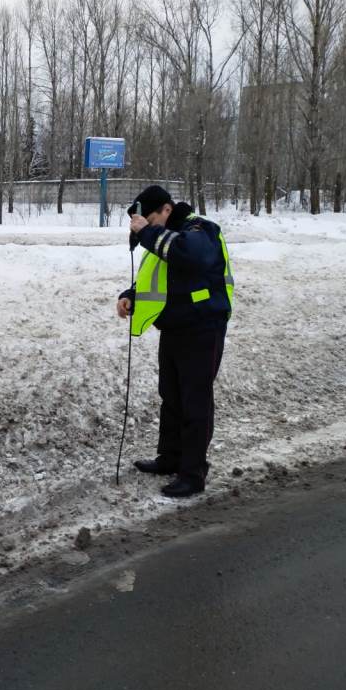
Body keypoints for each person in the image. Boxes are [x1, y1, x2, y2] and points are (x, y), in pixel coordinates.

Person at [116, 185, 234, 498]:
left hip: (203, 328)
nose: (147, 226)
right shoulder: (165, 239)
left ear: (167, 210)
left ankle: (193, 473)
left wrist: (148, 232)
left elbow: (190, 255)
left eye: (151, 219)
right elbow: (155, 276)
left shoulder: (200, 230)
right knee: (171, 396)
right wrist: (130, 296)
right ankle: (169, 458)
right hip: (175, 328)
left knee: (195, 402)